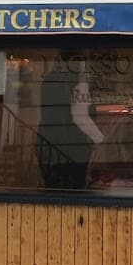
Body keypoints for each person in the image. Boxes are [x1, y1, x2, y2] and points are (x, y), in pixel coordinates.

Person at [36, 52, 104, 189]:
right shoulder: (78, 83)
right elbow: (80, 116)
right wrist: (100, 138)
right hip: (70, 148)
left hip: (47, 144)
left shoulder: (49, 79)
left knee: (53, 190)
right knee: (74, 190)